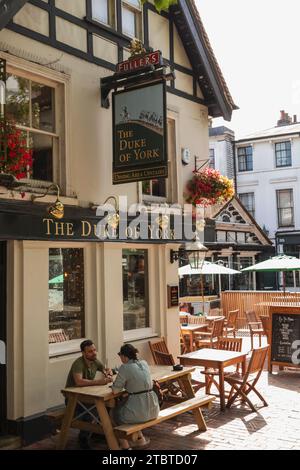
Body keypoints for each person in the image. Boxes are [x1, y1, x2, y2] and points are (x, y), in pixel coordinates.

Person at [65, 339, 113, 449]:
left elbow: (104, 369)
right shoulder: (78, 363)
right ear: (83, 353)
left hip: (87, 395)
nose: (94, 353)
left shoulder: (95, 361)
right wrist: (99, 382)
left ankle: (98, 432)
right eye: (90, 351)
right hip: (73, 398)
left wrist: (108, 371)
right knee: (93, 410)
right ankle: (83, 439)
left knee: (108, 405)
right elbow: (79, 381)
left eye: (95, 350)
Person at [111, 344, 160, 449]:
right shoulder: (144, 363)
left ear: (124, 356)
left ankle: (124, 446)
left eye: (120, 355)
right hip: (153, 409)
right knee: (131, 408)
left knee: (113, 414)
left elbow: (115, 390)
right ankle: (140, 440)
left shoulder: (125, 367)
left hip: (139, 412)